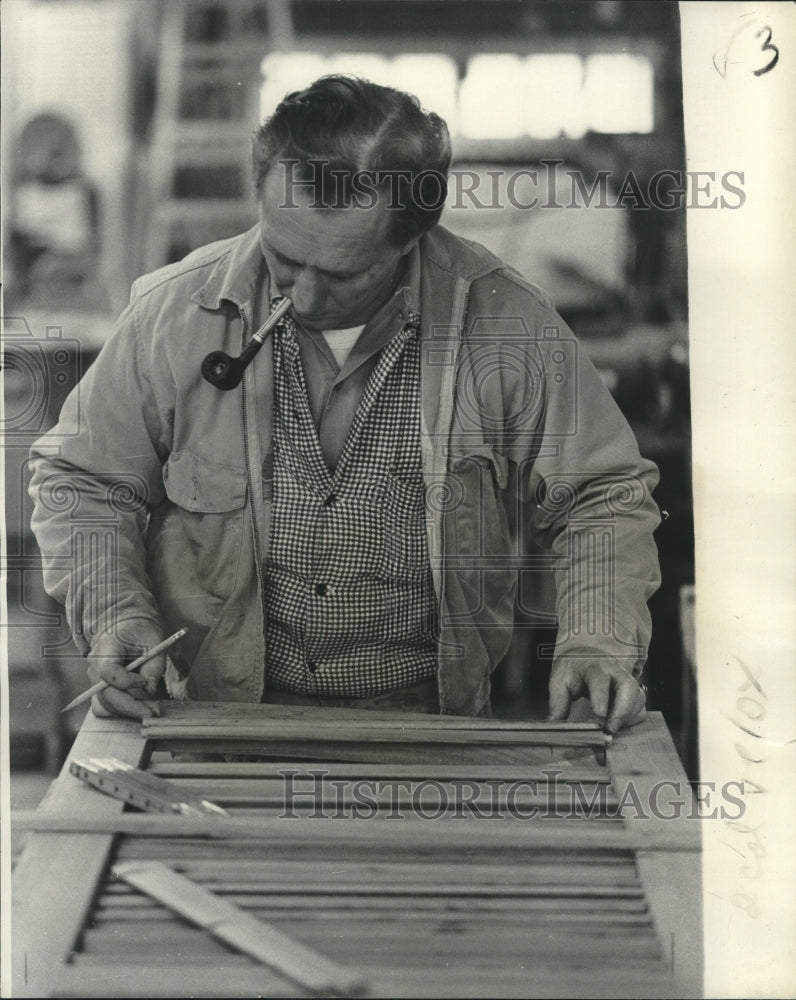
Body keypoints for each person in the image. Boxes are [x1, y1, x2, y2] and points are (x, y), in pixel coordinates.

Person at [29, 75, 660, 731]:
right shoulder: (170, 317)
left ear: (412, 239)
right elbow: (82, 479)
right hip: (211, 726)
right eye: (283, 257)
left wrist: (596, 639)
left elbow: (603, 492)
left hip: (431, 730)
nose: (300, 298)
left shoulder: (507, 325)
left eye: (339, 275)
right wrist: (115, 611)